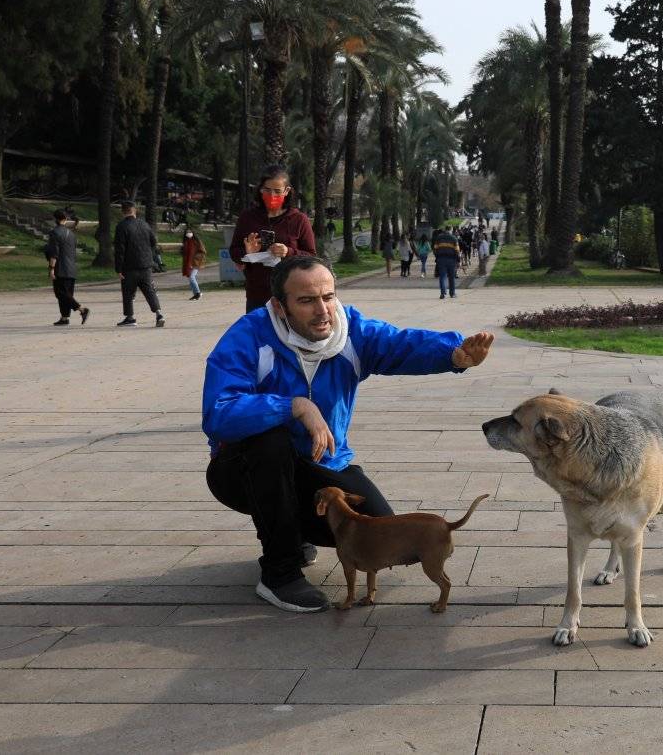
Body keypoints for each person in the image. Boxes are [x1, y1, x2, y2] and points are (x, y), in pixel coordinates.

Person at [202, 255, 495, 612]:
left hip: (323, 463)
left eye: (328, 296)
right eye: (306, 301)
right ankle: (280, 572)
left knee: (379, 530)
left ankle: (290, 532)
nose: (322, 310)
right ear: (280, 306)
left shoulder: (349, 330)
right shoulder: (250, 336)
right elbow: (219, 411)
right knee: (270, 440)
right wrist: (294, 406)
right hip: (243, 469)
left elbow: (398, 344)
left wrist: (453, 355)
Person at [229, 164, 317, 312]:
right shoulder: (247, 217)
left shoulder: (299, 219)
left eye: (277, 191)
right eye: (267, 190)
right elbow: (234, 252)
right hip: (257, 295)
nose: (272, 195)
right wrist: (247, 252)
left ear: (286, 191)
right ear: (260, 189)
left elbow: (312, 256)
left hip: (291, 294)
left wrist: (288, 252)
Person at [113, 201, 164, 328]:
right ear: (134, 210)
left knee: (128, 293)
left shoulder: (121, 226)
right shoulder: (144, 224)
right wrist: (147, 255)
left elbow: (120, 249)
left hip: (129, 266)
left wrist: (118, 268)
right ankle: (159, 314)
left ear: (123, 211)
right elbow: (153, 242)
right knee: (149, 291)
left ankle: (130, 318)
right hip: (146, 265)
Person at [44, 208, 89, 327]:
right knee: (67, 294)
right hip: (71, 267)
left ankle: (82, 309)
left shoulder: (54, 233)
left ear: (55, 219)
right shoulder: (71, 234)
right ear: (65, 219)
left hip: (61, 268)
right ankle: (64, 318)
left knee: (60, 293)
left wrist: (51, 268)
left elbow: (54, 253)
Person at [433, 226, 461, 299]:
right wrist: (458, 260)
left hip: (441, 259)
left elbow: (435, 249)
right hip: (451, 260)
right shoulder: (454, 238)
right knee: (451, 277)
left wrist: (437, 257)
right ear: (450, 230)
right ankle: (452, 293)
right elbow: (457, 250)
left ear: (445, 230)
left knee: (442, 277)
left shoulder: (439, 238)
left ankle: (443, 293)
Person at [182, 227, 207, 300]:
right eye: (187, 232)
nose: (188, 233)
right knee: (190, 278)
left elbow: (203, 251)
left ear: (193, 233)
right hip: (188, 263)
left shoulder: (197, 241)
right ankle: (195, 293)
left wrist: (195, 257)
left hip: (196, 262)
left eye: (190, 232)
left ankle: (198, 293)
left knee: (192, 277)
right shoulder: (186, 242)